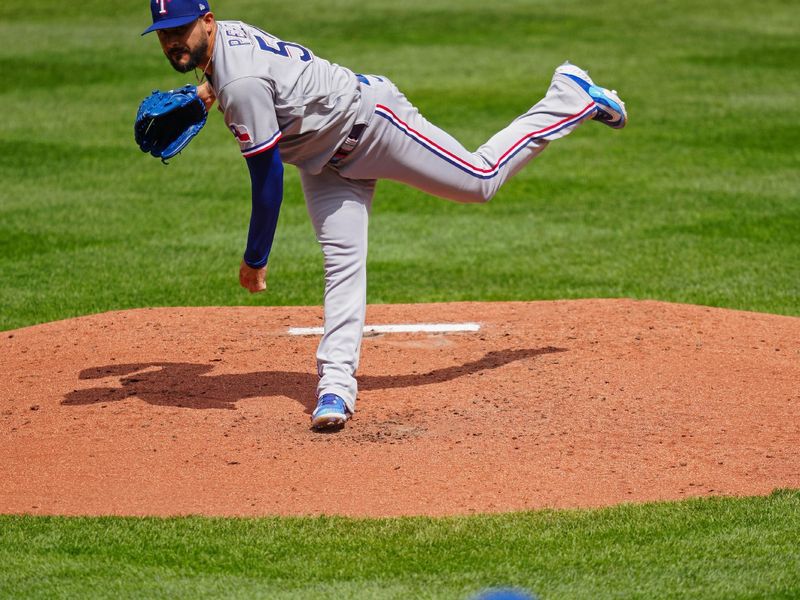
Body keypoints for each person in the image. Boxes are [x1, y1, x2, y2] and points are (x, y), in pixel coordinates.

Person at [142, 0, 627, 430]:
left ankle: (571, 96)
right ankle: (335, 388)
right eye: (164, 34)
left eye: (180, 30)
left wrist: (255, 258)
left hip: (373, 125)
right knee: (342, 265)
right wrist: (208, 94)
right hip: (327, 162)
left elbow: (267, 180)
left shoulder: (241, 81)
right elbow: (261, 77)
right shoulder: (227, 43)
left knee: (480, 180)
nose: (172, 42)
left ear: (207, 21)